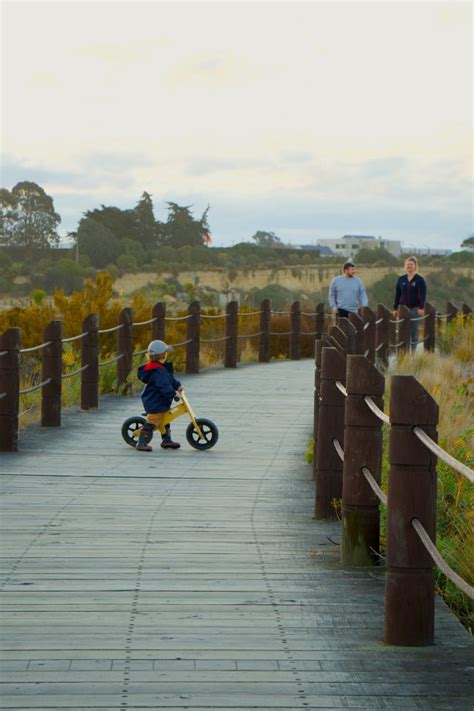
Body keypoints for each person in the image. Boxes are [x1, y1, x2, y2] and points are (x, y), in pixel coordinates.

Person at [136, 340, 183, 452]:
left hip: (160, 401)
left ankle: (166, 440)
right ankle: (142, 442)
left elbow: (170, 379)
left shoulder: (161, 368)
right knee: (154, 421)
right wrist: (173, 394)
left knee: (165, 419)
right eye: (165, 353)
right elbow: (164, 386)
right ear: (161, 355)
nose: (166, 355)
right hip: (154, 401)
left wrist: (177, 386)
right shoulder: (157, 371)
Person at [393, 256, 426, 349]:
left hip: (415, 309)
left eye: (411, 264)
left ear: (415, 266)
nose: (409, 266)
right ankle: (404, 351)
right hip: (403, 309)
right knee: (403, 330)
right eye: (407, 264)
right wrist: (395, 308)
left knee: (414, 330)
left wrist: (421, 307)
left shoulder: (420, 279)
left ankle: (413, 352)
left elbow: (422, 295)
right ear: (405, 266)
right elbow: (397, 295)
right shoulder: (401, 279)